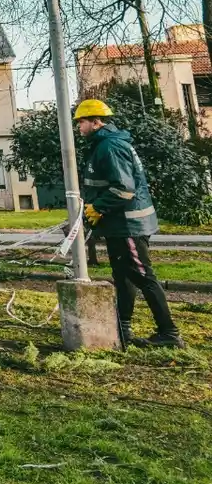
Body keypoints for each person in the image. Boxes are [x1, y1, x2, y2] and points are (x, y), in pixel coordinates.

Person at [74, 98, 183, 349]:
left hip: (128, 226)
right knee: (123, 278)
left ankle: (169, 333)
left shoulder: (110, 147)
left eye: (82, 122)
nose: (79, 127)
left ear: (96, 122)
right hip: (118, 225)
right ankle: (122, 330)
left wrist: (98, 207)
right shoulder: (103, 145)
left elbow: (124, 188)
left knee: (144, 277)